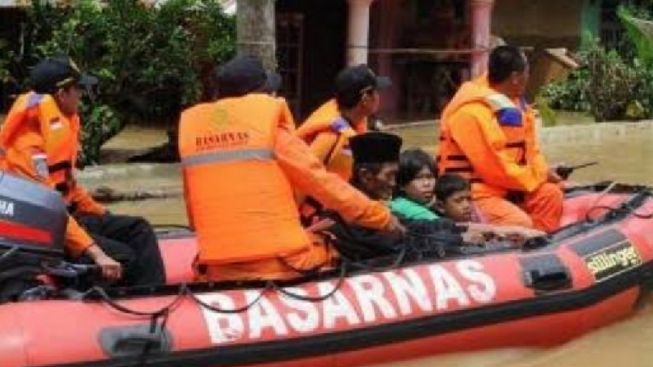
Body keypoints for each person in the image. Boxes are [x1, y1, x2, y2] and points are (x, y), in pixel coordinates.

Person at [177, 55, 403, 282]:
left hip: (216, 268)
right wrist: (382, 218)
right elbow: (322, 182)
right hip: (277, 264)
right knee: (344, 245)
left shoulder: (194, 141)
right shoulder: (275, 135)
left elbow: (194, 217)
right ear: (259, 96)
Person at [0, 56, 164, 286]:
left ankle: (155, 297)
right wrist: (97, 253)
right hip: (47, 234)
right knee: (124, 257)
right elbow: (49, 214)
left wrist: (103, 214)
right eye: (77, 88)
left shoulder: (53, 130)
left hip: (66, 221)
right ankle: (133, 307)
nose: (81, 95)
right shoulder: (27, 150)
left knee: (139, 229)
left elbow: (68, 188)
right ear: (61, 94)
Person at [437, 45, 563, 233]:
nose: (528, 78)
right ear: (515, 78)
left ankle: (541, 243)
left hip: (507, 186)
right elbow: (495, 169)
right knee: (520, 223)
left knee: (551, 194)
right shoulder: (470, 113)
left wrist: (543, 172)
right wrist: (539, 176)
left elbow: (531, 150)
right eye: (527, 72)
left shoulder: (516, 104)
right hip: (475, 191)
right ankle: (523, 241)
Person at [294, 65, 391, 223]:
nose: (379, 96)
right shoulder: (330, 137)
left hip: (337, 211)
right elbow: (301, 177)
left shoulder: (354, 124)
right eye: (377, 91)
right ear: (365, 98)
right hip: (313, 219)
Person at [389, 149, 439, 221]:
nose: (426, 183)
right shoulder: (403, 206)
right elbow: (443, 225)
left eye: (430, 177)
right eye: (418, 178)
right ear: (402, 185)